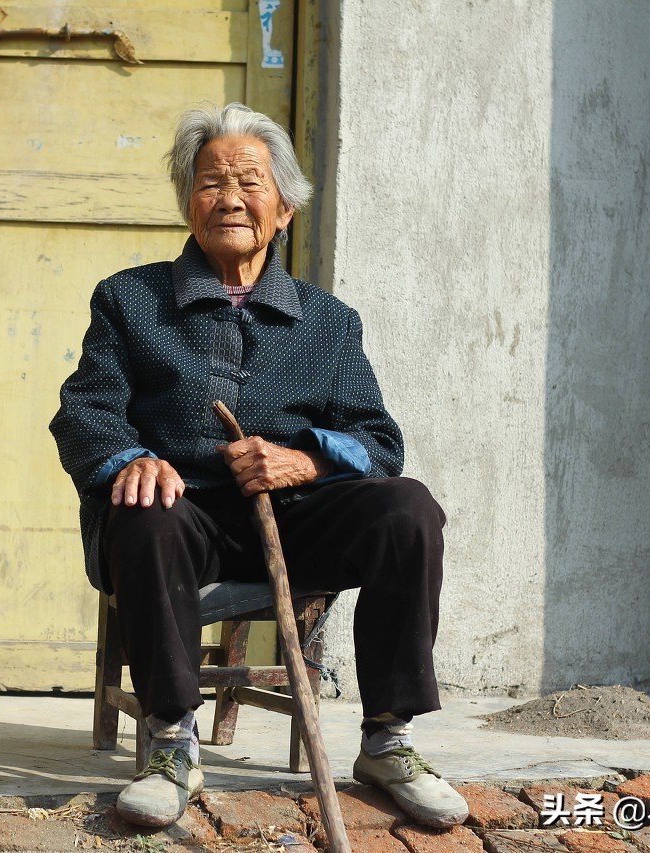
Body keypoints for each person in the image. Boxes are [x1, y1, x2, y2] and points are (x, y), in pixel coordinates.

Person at [49, 103, 468, 830]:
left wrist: (303, 461)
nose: (231, 198)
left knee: (409, 508)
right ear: (188, 201)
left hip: (296, 517)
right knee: (144, 509)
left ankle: (388, 737)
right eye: (211, 182)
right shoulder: (129, 300)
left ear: (285, 209)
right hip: (181, 516)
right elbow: (85, 411)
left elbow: (378, 439)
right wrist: (133, 459)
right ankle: (171, 739)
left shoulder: (327, 321)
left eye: (250, 181)